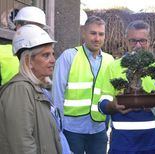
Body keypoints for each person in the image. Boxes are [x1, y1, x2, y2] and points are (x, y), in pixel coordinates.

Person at [98, 20, 155, 153]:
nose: (138, 45)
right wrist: (113, 105)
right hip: (122, 142)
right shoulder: (114, 66)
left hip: (152, 141)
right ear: (126, 41)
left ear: (149, 41)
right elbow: (102, 104)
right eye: (133, 41)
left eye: (142, 41)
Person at [52, 16, 114, 154]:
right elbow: (57, 93)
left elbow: (112, 94)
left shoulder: (110, 61)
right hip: (72, 129)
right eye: (93, 33)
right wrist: (57, 126)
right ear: (84, 33)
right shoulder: (69, 56)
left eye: (101, 34)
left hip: (98, 128)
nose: (97, 38)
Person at [0, 24, 61, 153]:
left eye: (52, 54)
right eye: (46, 55)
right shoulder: (19, 90)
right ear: (28, 61)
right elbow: (22, 145)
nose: (53, 60)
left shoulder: (37, 88)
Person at [0, 6, 48, 86]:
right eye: (32, 27)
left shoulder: (42, 53)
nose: (36, 32)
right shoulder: (2, 52)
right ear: (19, 27)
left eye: (39, 28)